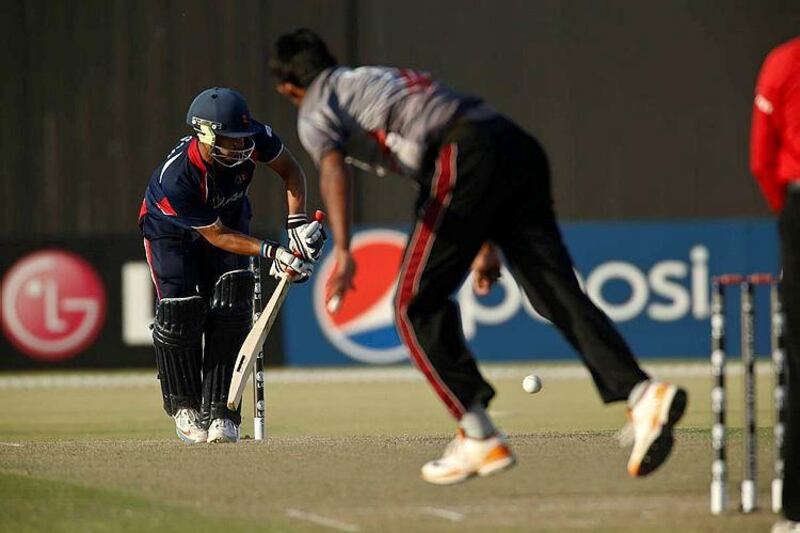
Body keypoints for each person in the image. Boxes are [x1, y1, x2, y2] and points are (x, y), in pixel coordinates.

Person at [269, 29, 687, 484]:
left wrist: (346, 248)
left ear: (289, 89)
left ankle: (478, 436)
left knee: (414, 305)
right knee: (553, 293)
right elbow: (436, 162)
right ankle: (644, 394)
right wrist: (483, 243)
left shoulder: (315, 104)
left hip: (460, 153)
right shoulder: (373, 80)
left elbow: (333, 167)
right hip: (512, 146)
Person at [138, 87, 325, 444]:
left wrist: (296, 224)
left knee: (231, 303)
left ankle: (223, 411)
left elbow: (291, 171)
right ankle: (185, 406)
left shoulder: (256, 136)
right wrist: (275, 252)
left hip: (230, 216)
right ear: (205, 134)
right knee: (181, 312)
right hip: (171, 231)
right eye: (229, 140)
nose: (240, 148)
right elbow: (217, 236)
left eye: (242, 139)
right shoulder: (176, 178)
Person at [750, 36, 800, 533]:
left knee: (799, 365)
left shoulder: (785, 60)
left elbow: (762, 160)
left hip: (799, 206)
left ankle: (799, 513)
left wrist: (786, 213)